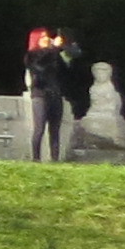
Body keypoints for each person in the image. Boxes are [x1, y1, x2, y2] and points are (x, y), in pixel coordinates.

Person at [23, 25, 80, 162]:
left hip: (55, 94)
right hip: (40, 94)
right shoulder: (31, 55)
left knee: (55, 130)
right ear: (36, 39)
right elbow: (39, 68)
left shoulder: (54, 54)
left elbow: (72, 57)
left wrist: (66, 45)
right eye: (43, 37)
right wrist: (53, 48)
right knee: (39, 128)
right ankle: (36, 158)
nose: (47, 39)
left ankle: (55, 159)